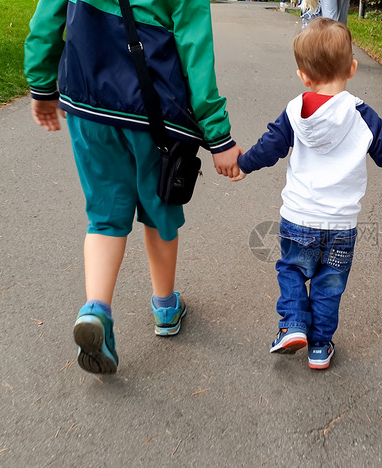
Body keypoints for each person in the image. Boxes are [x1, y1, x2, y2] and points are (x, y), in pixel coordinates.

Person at [24, 0, 243, 374]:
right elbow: (195, 48)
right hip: (156, 110)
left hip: (88, 101)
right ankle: (165, 307)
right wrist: (218, 135)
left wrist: (42, 84)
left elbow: (46, 20)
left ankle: (96, 309)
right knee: (160, 210)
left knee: (105, 217)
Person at [233, 18, 382, 369]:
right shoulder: (362, 115)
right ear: (352, 68)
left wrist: (243, 164)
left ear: (303, 76)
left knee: (292, 270)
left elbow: (269, 148)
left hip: (298, 217)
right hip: (341, 225)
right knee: (329, 285)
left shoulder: (294, 112)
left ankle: (293, 323)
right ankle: (319, 347)